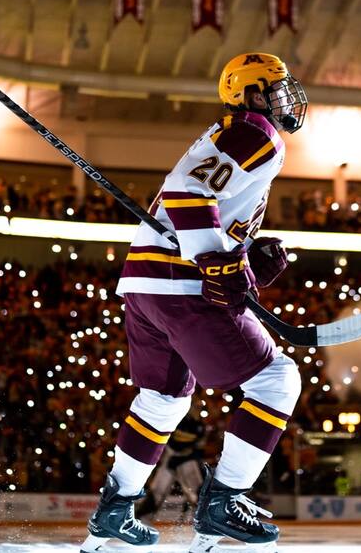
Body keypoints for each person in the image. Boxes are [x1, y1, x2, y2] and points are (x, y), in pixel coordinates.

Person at [81, 52, 308, 553]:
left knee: (163, 399)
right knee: (277, 380)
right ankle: (225, 501)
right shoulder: (256, 132)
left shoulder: (231, 133)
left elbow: (200, 201)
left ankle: (114, 509)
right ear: (251, 94)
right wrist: (215, 259)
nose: (285, 99)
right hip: (179, 282)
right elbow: (187, 194)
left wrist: (242, 256)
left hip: (145, 284)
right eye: (275, 89)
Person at [134, 410, 207, 520]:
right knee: (158, 490)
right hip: (170, 456)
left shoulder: (200, 427)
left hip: (187, 459)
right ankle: (142, 518)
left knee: (196, 492)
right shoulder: (175, 419)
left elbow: (199, 448)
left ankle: (206, 518)